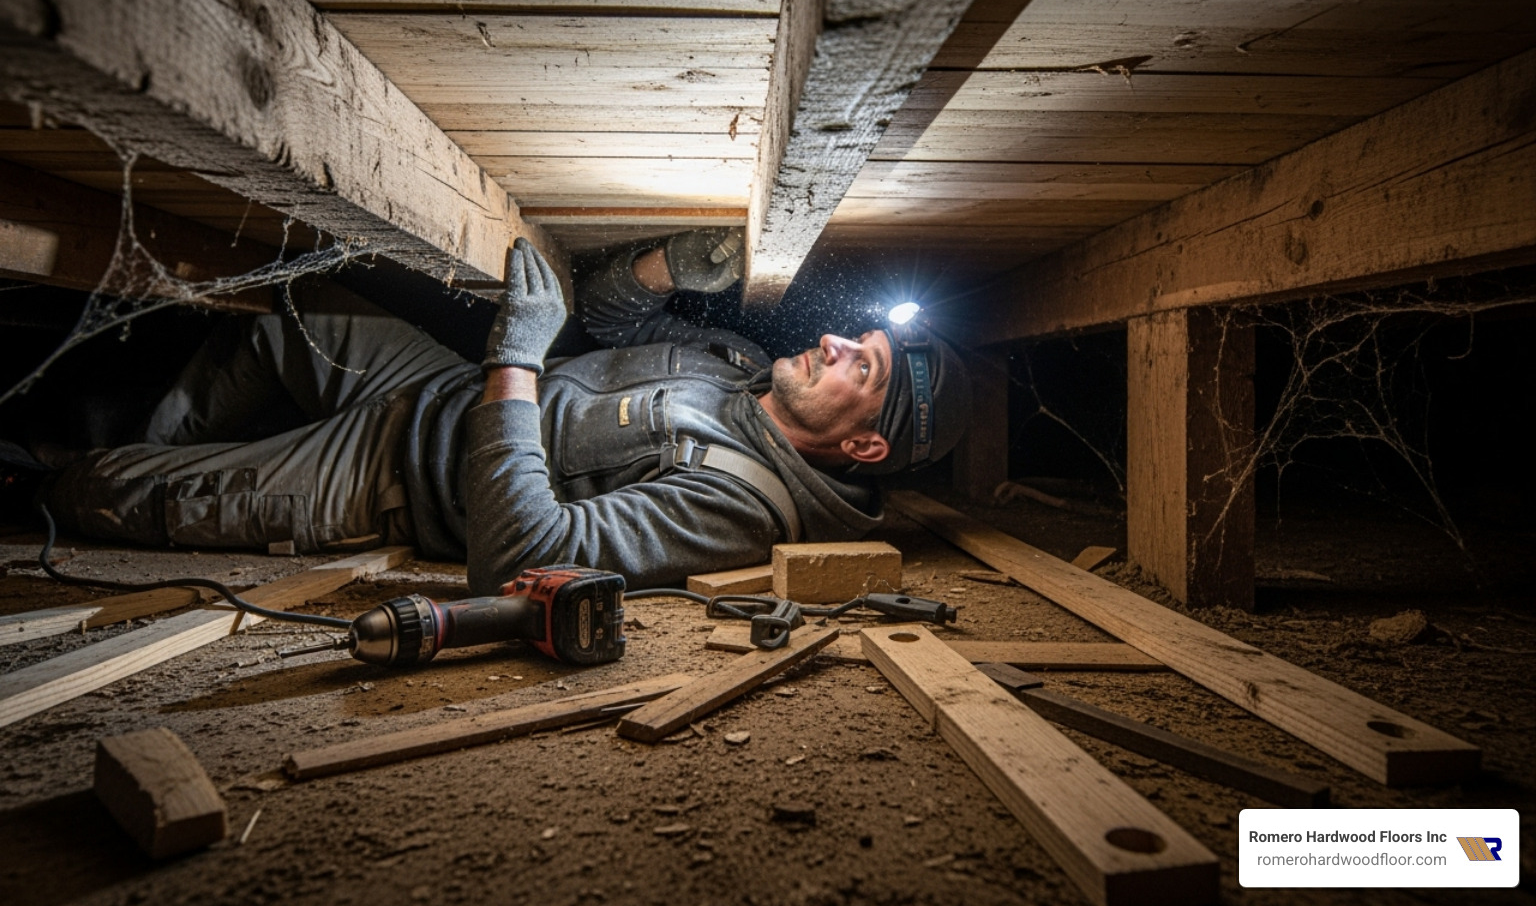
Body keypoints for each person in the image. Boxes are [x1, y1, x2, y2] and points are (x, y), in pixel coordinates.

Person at [34, 233, 970, 593]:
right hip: (434, 387)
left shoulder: (738, 505)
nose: (836, 341)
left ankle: (73, 477)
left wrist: (516, 355)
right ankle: (165, 444)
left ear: (864, 443)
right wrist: (666, 269)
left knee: (104, 490)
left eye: (863, 366)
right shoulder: (739, 364)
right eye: (857, 338)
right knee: (291, 314)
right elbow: (606, 324)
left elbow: (521, 556)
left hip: (388, 482)